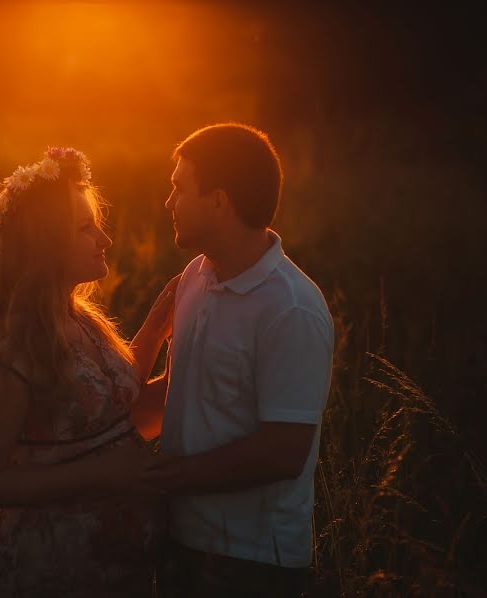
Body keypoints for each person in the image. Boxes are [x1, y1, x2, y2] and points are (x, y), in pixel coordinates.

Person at [0, 147, 178, 597]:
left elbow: (117, 418)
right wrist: (102, 475)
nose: (103, 239)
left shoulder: (80, 319)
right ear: (45, 242)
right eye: (85, 228)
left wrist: (160, 334)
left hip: (111, 574)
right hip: (42, 572)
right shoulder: (8, 350)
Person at [143, 123, 335, 597]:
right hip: (179, 540)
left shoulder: (290, 309)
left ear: (219, 201)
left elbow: (283, 451)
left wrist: (167, 477)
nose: (169, 203)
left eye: (179, 188)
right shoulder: (195, 276)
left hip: (251, 563)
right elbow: (179, 391)